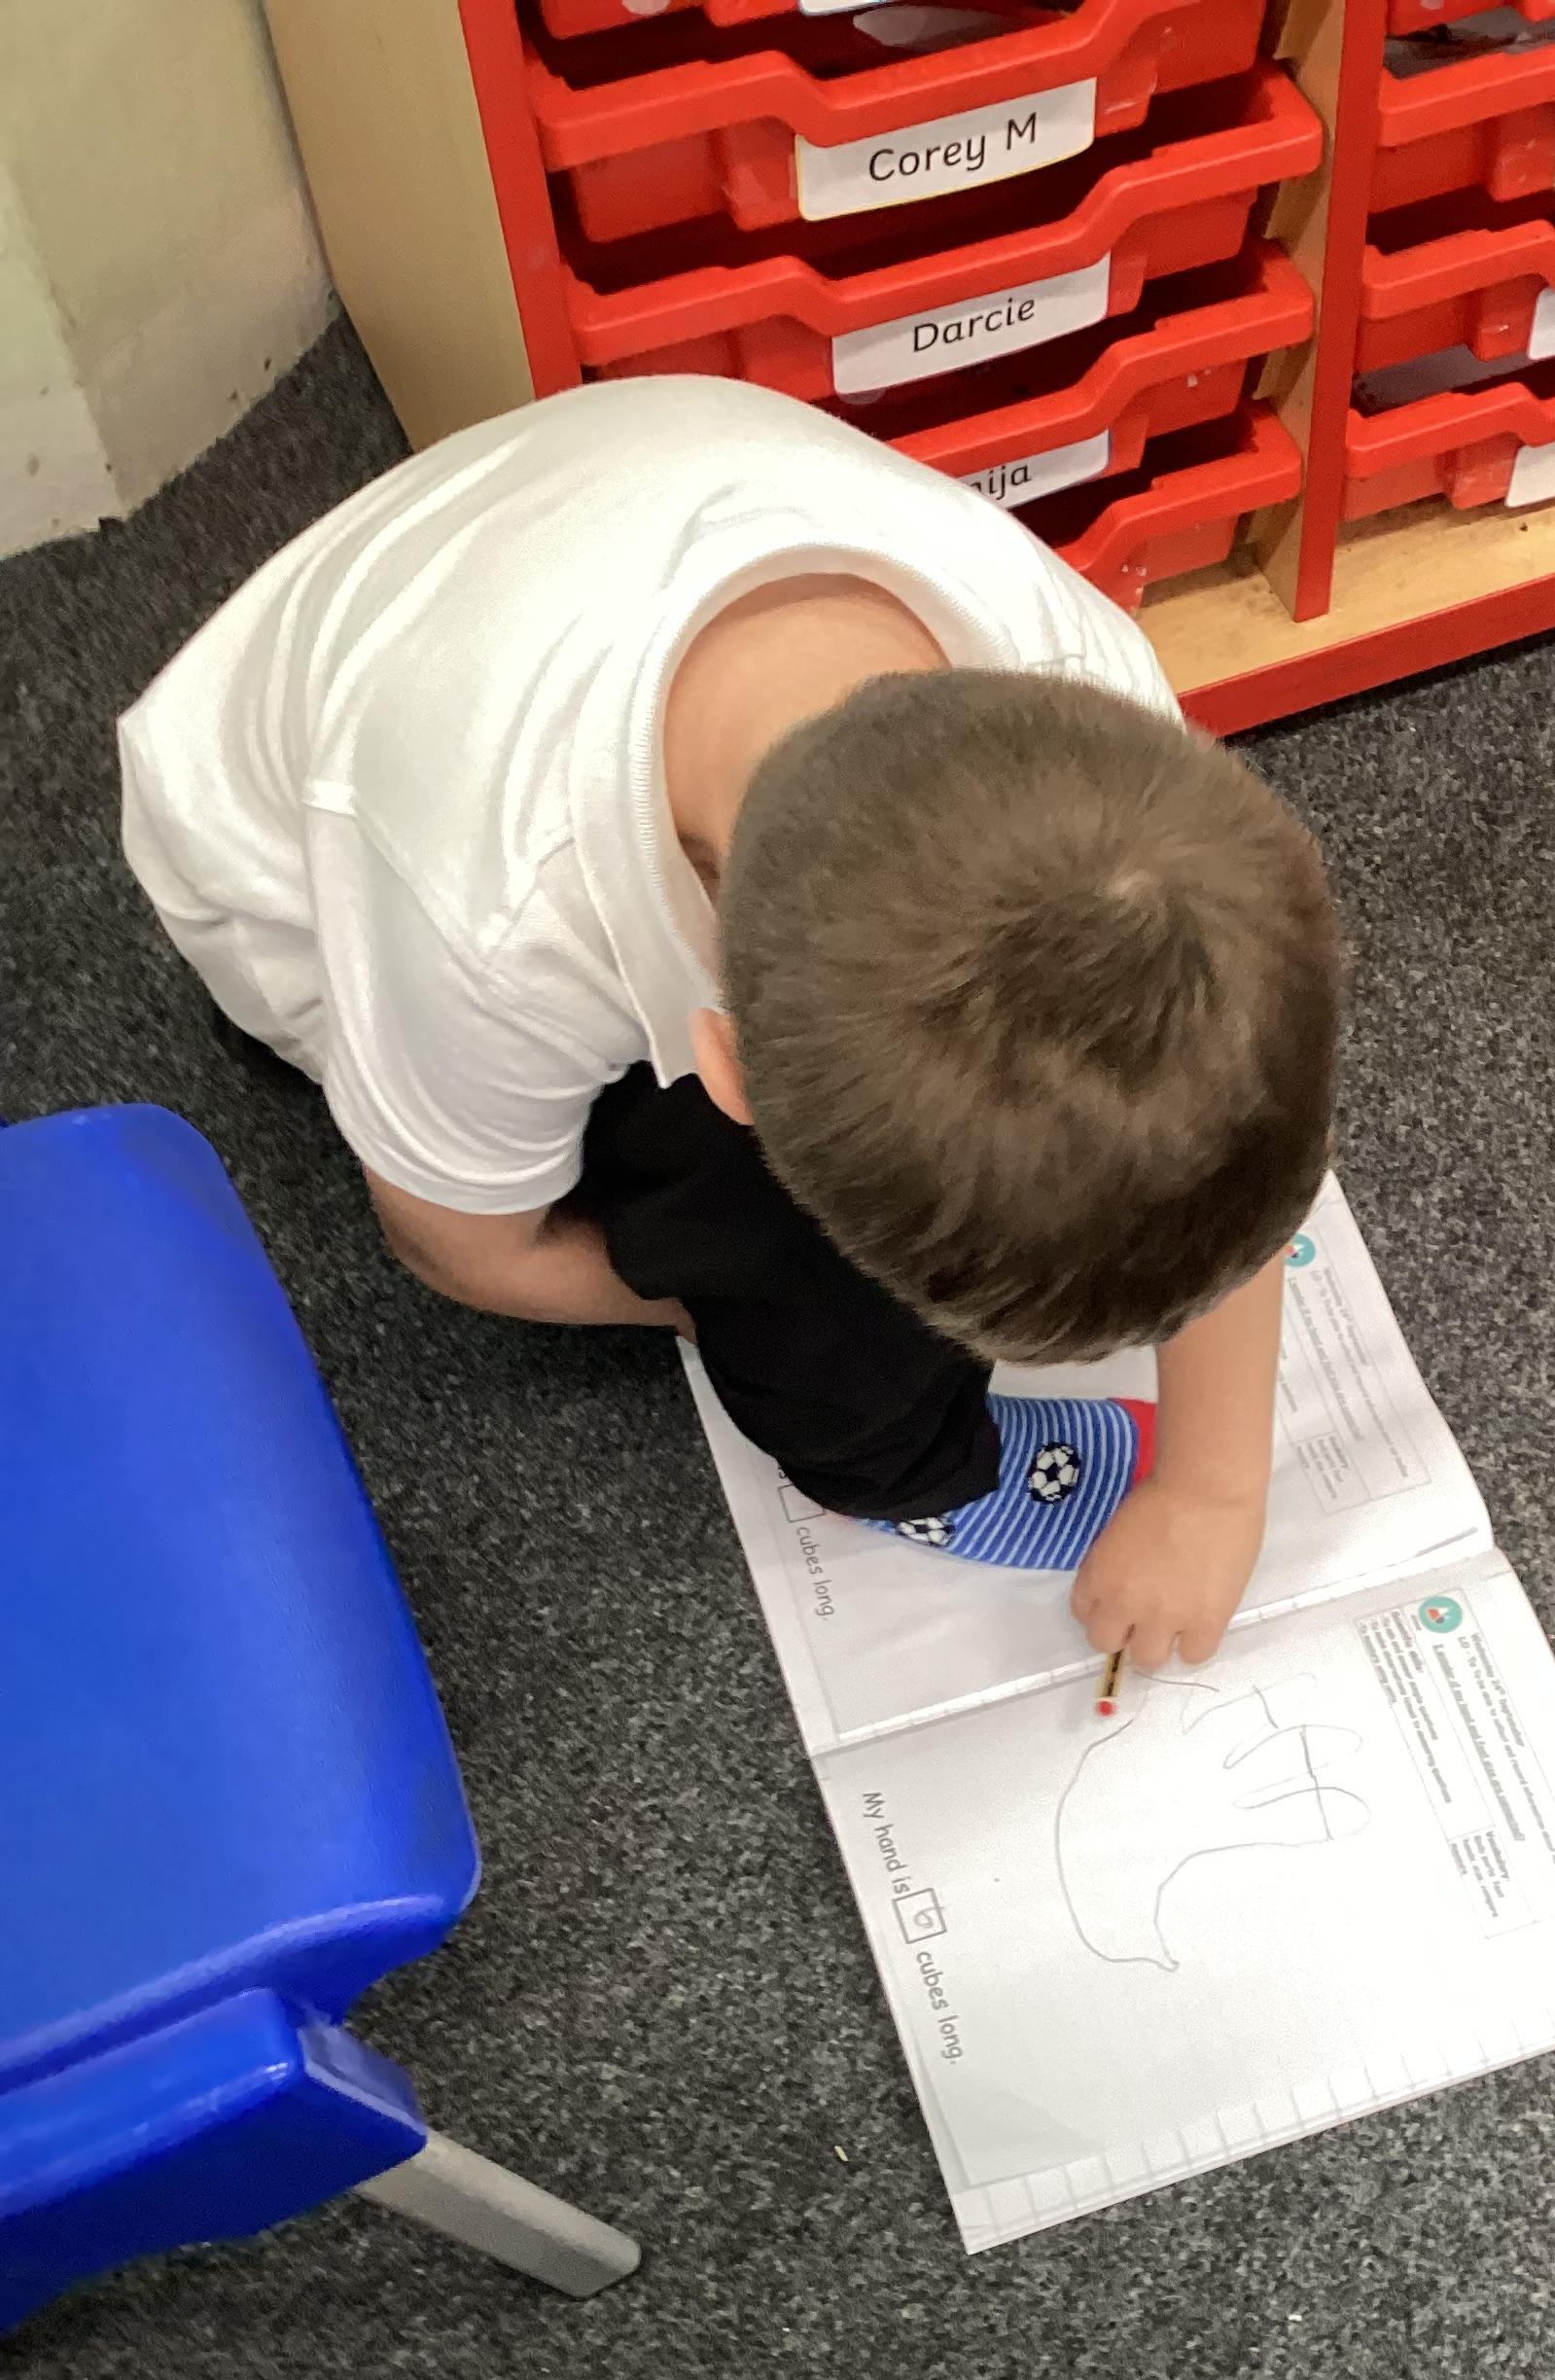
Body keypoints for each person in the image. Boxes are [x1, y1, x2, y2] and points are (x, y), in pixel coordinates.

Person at [119, 376, 1340, 1670]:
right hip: (287, 868)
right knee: (821, 1326)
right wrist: (711, 1305)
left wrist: (1215, 1488)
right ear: (725, 1065)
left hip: (540, 574)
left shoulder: (1092, 696)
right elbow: (460, 1246)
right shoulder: (493, 927)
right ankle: (885, 1426)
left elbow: (1210, 1114)